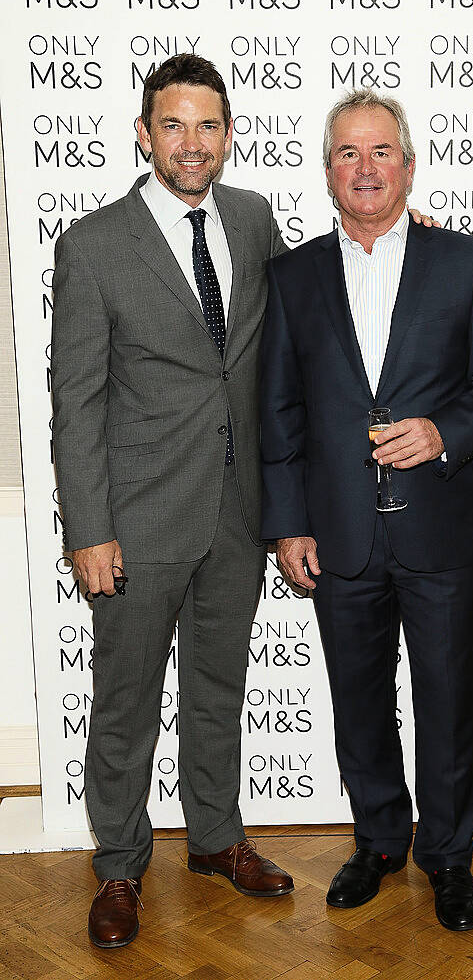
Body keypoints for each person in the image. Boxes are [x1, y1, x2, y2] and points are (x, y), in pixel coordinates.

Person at [260, 89, 473, 931]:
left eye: (381, 152)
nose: (365, 167)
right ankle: (377, 839)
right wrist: (288, 520)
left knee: (448, 696)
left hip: (439, 526)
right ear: (329, 171)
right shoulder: (292, 274)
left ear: (409, 166)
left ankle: (449, 856)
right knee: (359, 697)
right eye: (348, 153)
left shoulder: (468, 262)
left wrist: (442, 431)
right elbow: (280, 411)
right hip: (336, 532)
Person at [51, 54, 295, 949]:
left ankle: (216, 837)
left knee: (216, 688)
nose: (192, 143)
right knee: (125, 696)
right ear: (145, 133)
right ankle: (118, 861)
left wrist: (398, 239)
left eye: (208, 125)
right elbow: (75, 399)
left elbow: (299, 319)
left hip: (238, 508)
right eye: (174, 125)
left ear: (228, 134)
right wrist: (91, 528)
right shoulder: (93, 244)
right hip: (139, 516)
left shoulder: (253, 219)